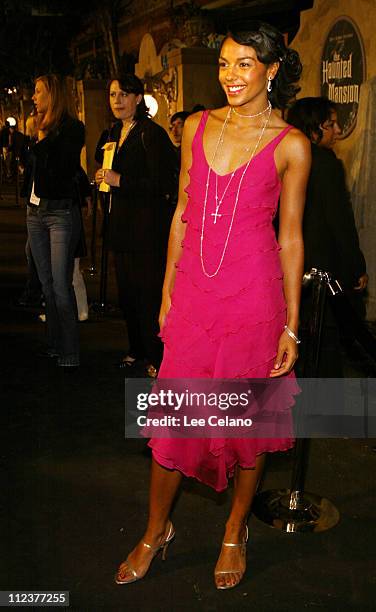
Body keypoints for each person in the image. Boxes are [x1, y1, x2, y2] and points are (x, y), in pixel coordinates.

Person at [115, 23, 311, 589]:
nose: (231, 75)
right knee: (176, 422)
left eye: (245, 64)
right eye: (225, 63)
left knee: (247, 428)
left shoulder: (291, 144)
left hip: (255, 301)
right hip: (195, 299)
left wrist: (292, 327)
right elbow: (181, 210)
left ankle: (234, 530)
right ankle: (156, 530)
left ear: (271, 70)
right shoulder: (196, 127)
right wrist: (167, 292)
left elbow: (291, 238)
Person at [95, 73, 178, 376]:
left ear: (138, 98)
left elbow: (162, 183)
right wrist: (105, 176)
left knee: (149, 294)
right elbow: (104, 162)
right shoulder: (115, 132)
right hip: (120, 227)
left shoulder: (151, 134)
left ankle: (159, 356)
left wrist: (121, 180)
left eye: (124, 94)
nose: (117, 100)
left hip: (146, 230)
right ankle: (136, 349)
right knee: (128, 295)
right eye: (113, 94)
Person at [287, 97, 368, 376]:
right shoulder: (325, 164)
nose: (336, 131)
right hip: (324, 273)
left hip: (290, 269)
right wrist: (357, 266)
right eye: (329, 124)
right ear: (313, 129)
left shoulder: (284, 158)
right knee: (326, 347)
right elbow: (340, 222)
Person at [23, 74, 85, 367]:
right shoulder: (38, 128)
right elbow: (29, 167)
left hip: (59, 212)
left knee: (61, 285)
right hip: (34, 212)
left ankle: (70, 351)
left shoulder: (72, 129)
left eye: (38, 92)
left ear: (53, 95)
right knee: (46, 284)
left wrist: (42, 139)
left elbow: (61, 168)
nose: (33, 97)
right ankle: (54, 344)